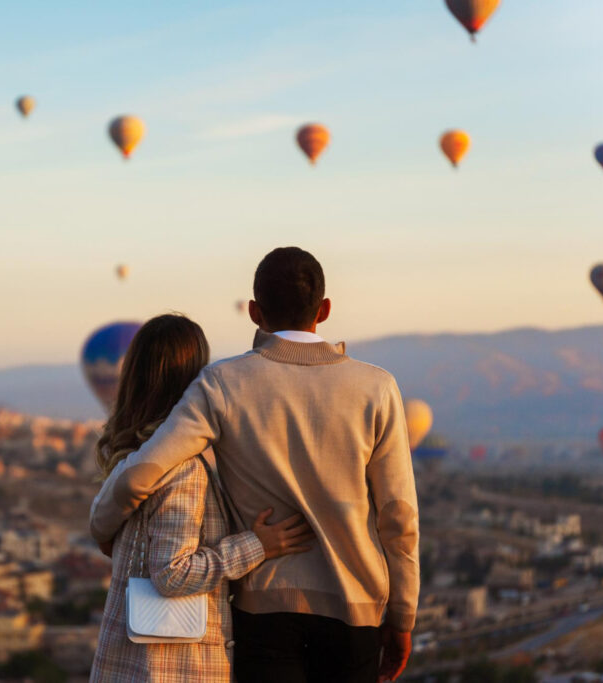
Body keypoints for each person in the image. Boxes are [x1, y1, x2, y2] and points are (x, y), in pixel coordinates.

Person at [91, 247, 420, 683]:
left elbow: (144, 470)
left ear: (253, 311)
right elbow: (399, 515)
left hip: (263, 612)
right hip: (355, 608)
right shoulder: (376, 387)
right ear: (324, 309)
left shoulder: (223, 383)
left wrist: (103, 522)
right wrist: (402, 614)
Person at [90, 314, 315, 683]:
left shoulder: (136, 460)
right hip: (174, 667)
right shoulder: (184, 470)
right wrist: (257, 545)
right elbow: (171, 575)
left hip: (132, 664)